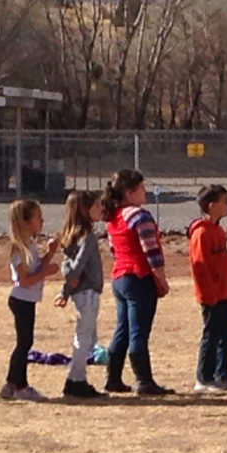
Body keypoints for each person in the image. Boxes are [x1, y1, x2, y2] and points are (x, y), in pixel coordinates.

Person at [100, 169, 174, 396]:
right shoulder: (140, 216)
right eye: (141, 188)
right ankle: (144, 380)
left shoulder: (113, 217)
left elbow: (114, 248)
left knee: (122, 329)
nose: (146, 192)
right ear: (129, 192)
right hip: (139, 277)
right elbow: (151, 251)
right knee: (138, 332)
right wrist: (160, 278)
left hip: (120, 276)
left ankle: (113, 378)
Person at [187, 185, 227, 392]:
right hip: (211, 296)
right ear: (212, 206)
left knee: (226, 334)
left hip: (222, 293)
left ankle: (223, 375)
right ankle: (204, 378)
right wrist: (208, 294)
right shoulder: (201, 233)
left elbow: (223, 266)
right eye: (224, 201)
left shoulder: (219, 231)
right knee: (211, 336)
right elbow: (200, 267)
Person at [0, 199, 60, 401]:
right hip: (21, 299)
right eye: (38, 218)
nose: (42, 221)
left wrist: (50, 253)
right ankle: (20, 385)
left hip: (28, 299)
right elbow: (25, 280)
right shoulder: (19, 249)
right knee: (24, 343)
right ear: (26, 223)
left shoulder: (30, 245)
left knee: (24, 342)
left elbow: (36, 269)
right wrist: (47, 273)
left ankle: (10, 383)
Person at [54, 190, 104, 399]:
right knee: (84, 338)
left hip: (81, 293)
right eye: (97, 206)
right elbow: (75, 269)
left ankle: (76, 378)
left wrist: (66, 291)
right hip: (87, 293)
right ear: (85, 210)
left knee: (89, 337)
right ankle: (76, 380)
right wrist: (68, 280)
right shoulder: (87, 237)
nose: (101, 209)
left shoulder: (74, 237)